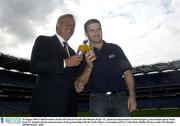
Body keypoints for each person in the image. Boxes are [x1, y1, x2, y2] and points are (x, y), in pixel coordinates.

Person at [76, 19, 137, 117]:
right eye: (92, 30)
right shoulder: (82, 53)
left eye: (98, 29)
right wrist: (89, 66)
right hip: (98, 101)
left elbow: (127, 73)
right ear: (86, 33)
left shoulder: (115, 48)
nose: (96, 33)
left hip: (120, 99)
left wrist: (132, 95)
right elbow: (80, 83)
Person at [30, 14, 85, 117]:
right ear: (57, 25)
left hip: (70, 108)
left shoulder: (73, 51)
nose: (71, 27)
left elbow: (75, 73)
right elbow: (35, 65)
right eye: (67, 24)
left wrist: (87, 61)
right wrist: (64, 63)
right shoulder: (43, 40)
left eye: (73, 26)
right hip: (46, 107)